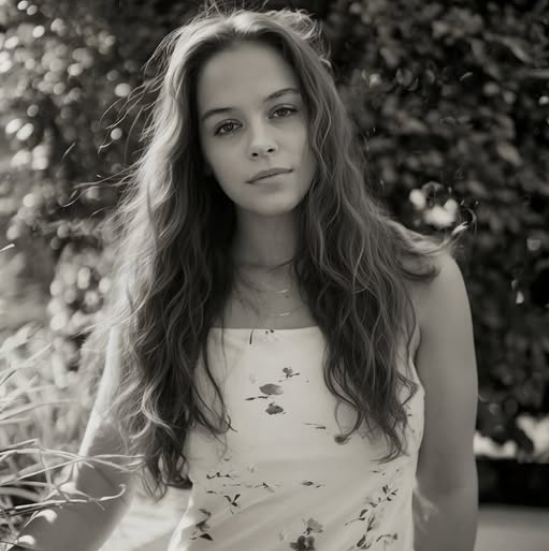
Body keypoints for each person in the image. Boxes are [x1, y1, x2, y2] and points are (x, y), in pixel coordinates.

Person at [10, 2, 478, 551]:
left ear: (318, 121)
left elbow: (445, 489)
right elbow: (96, 486)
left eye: (282, 110)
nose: (260, 141)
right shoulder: (166, 293)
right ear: (201, 155)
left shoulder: (420, 284)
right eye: (227, 126)